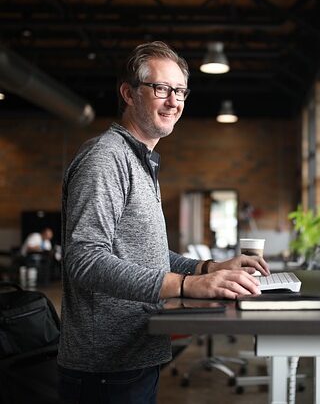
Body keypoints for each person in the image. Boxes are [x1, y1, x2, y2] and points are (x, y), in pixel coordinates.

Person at [57, 41, 270, 404]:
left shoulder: (140, 161)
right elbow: (84, 259)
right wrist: (186, 285)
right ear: (128, 93)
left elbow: (147, 256)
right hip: (105, 367)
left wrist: (208, 267)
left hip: (133, 354)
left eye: (181, 91)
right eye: (161, 89)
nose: (174, 101)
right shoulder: (106, 158)